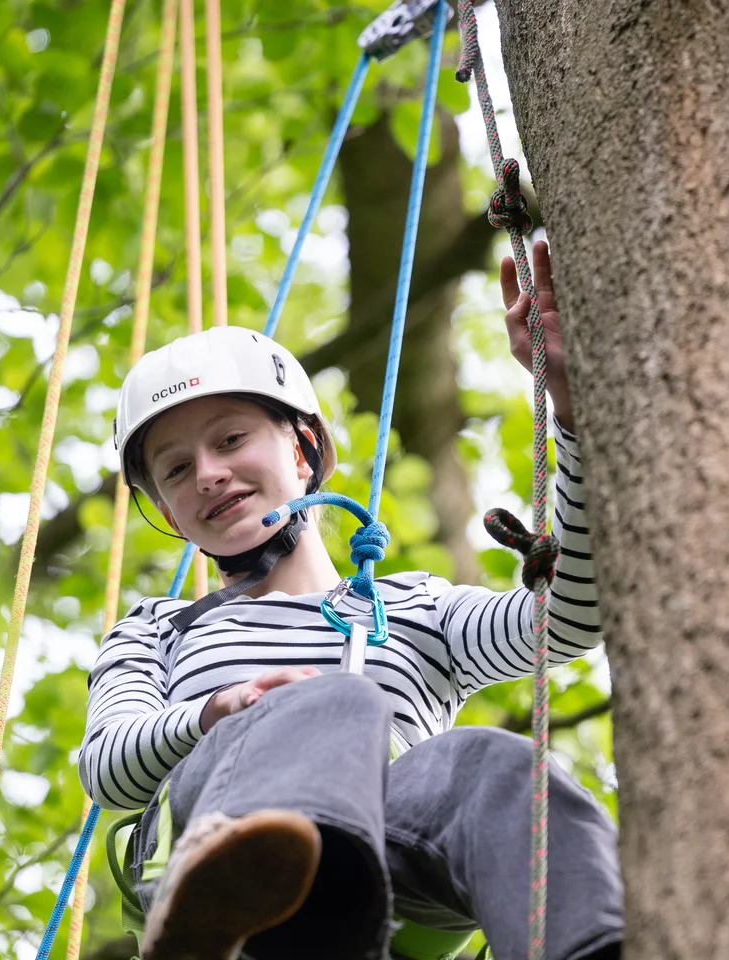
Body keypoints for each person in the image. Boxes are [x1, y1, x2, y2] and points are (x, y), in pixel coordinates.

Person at [78, 242, 620, 960]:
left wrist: (573, 417)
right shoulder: (156, 633)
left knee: (493, 762)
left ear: (302, 451)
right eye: (177, 469)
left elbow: (568, 624)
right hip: (218, 854)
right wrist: (222, 710)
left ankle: (594, 945)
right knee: (333, 702)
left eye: (231, 439)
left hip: (395, 883)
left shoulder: (416, 610)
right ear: (171, 515)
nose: (208, 473)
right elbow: (109, 767)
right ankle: (256, 891)